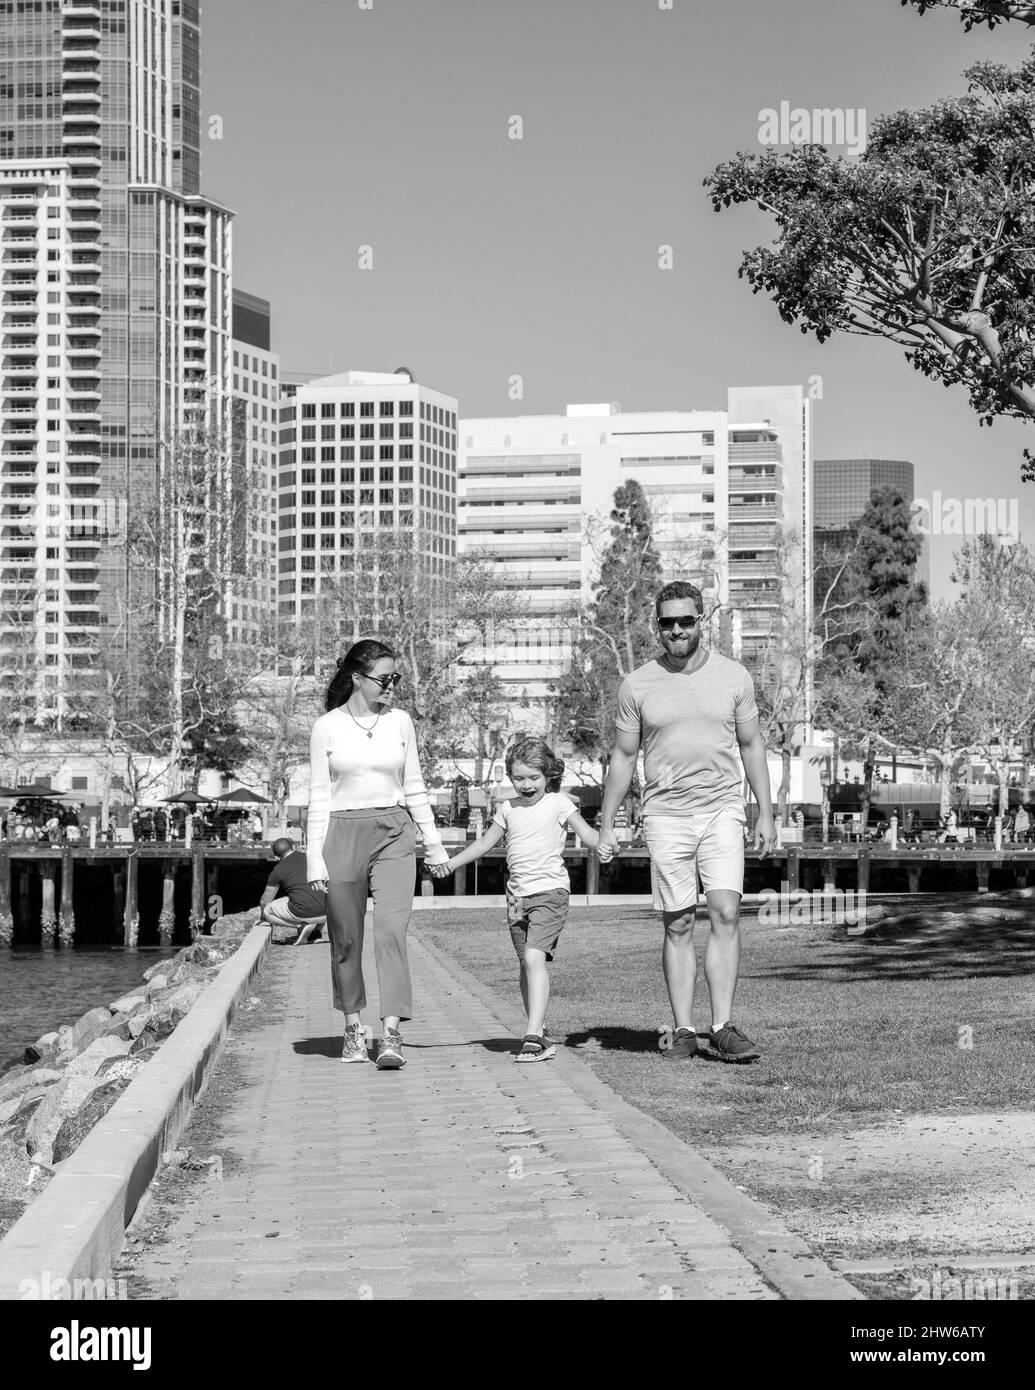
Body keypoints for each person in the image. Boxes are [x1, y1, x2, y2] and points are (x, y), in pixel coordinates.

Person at [597, 580, 777, 1064]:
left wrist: (765, 810)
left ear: (702, 620)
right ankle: (682, 1029)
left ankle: (721, 1027)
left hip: (722, 808)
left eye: (685, 620)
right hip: (665, 815)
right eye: (667, 622)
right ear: (657, 625)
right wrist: (608, 822)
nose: (676, 629)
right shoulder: (636, 684)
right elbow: (623, 755)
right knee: (677, 923)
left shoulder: (735, 677)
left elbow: (752, 744)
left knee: (724, 912)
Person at [306, 639, 450, 1070]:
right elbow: (317, 796)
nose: (391, 686)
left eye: (395, 679)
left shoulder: (401, 722)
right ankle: (353, 1027)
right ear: (357, 678)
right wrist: (314, 858)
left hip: (394, 831)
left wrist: (435, 843)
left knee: (391, 931)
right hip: (342, 834)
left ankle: (391, 1034)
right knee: (345, 939)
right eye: (383, 679)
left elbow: (416, 785)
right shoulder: (326, 727)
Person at [431, 737, 602, 1062]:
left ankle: (533, 1036)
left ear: (548, 775)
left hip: (550, 892)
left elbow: (589, 835)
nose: (526, 785)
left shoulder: (559, 804)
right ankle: (539, 1030)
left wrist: (603, 843)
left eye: (533, 778)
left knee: (535, 958)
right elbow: (483, 845)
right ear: (510, 777)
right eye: (519, 778)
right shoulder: (507, 809)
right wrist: (450, 864)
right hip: (516, 896)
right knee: (526, 962)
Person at [259, 838, 327, 944]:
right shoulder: (311, 858)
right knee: (315, 893)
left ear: (277, 857)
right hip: (327, 911)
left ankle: (301, 925)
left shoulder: (278, 870)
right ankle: (315, 934)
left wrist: (263, 917)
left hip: (305, 914)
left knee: (267, 910)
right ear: (293, 847)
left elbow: (265, 900)